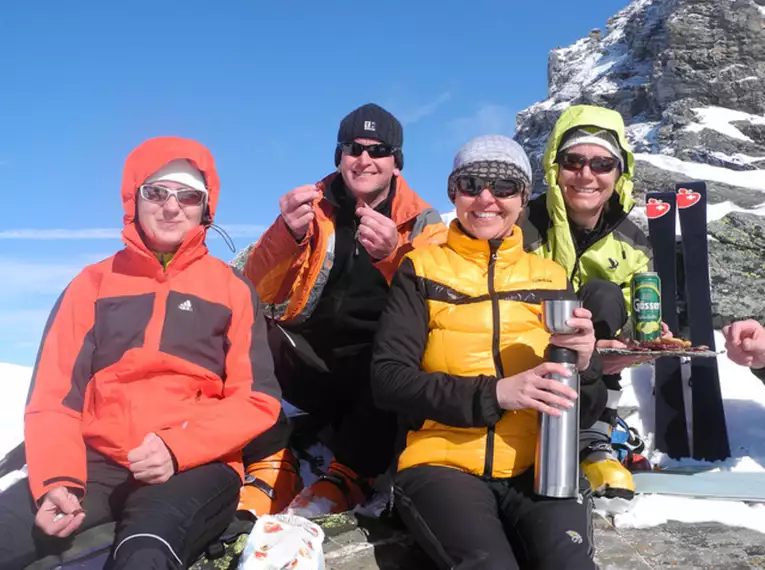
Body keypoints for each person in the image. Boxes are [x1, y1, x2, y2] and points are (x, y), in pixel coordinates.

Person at [0, 137, 282, 570]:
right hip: (96, 459)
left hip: (196, 463)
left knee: (145, 553)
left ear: (205, 207)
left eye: (188, 196)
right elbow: (55, 397)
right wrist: (57, 479)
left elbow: (257, 399)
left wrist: (177, 446)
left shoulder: (232, 290)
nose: (172, 207)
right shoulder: (92, 284)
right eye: (157, 192)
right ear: (135, 198)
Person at [371, 135, 603, 570]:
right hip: (442, 465)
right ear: (453, 193)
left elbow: (585, 411)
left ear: (522, 197)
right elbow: (388, 380)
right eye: (471, 183)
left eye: (504, 187)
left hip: (541, 468)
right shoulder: (421, 269)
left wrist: (586, 365)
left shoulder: (551, 278)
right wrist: (497, 394)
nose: (486, 199)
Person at [236, 103, 447, 517]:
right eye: (354, 148)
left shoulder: (423, 223)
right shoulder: (311, 209)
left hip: (376, 370)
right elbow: (256, 287)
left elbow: (437, 307)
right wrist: (285, 234)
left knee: (398, 358)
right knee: (243, 322)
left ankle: (349, 473)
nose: (365, 159)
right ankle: (272, 458)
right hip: (311, 356)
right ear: (340, 156)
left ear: (396, 163)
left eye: (379, 150)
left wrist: (394, 257)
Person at [522, 104, 661, 499]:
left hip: (593, 373)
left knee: (603, 293)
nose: (586, 174)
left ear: (619, 173)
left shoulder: (633, 241)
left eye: (602, 163)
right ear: (555, 166)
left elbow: (639, 312)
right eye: (573, 161)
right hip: (521, 360)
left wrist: (640, 344)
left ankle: (592, 435)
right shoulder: (522, 224)